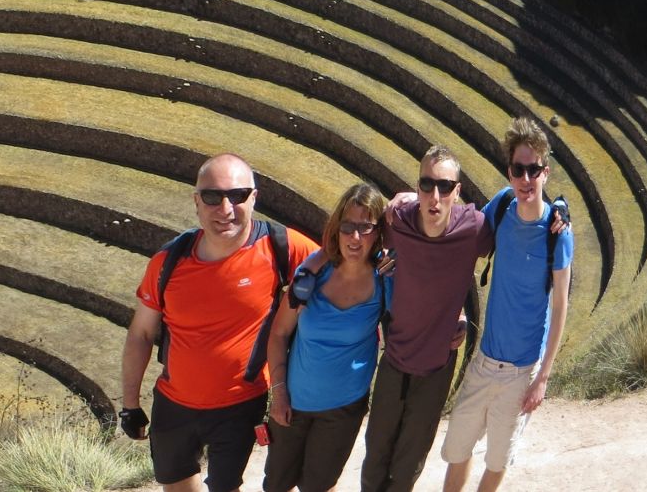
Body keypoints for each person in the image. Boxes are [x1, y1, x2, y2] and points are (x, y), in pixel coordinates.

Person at [120, 153, 319, 492]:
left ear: (253, 198)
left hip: (240, 405)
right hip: (174, 403)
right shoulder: (168, 262)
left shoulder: (279, 247)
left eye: (237, 195)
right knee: (177, 485)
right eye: (212, 196)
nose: (225, 208)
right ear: (197, 202)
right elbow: (140, 333)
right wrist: (129, 405)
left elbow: (340, 261)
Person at [440, 118, 573, 492]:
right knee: (457, 450)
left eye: (534, 170)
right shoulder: (502, 205)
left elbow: (561, 306)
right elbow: (464, 247)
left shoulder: (558, 234)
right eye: (519, 169)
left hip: (522, 372)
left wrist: (543, 378)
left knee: (497, 461)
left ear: (545, 172)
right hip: (484, 361)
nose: (526, 179)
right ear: (509, 172)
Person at [359, 145, 491, 492]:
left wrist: (559, 210)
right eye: (426, 184)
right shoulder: (398, 220)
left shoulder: (473, 229)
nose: (436, 195)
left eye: (445, 187)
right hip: (394, 360)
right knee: (374, 463)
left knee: (407, 470)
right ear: (416, 187)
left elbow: (517, 216)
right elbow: (361, 230)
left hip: (435, 368)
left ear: (457, 192)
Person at [263, 183, 394, 492]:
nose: (355, 237)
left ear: (379, 232)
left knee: (318, 487)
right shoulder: (310, 276)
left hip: (343, 409)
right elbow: (279, 334)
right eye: (348, 226)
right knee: (276, 485)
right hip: (293, 403)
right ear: (337, 228)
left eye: (366, 227)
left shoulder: (384, 281)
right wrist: (279, 393)